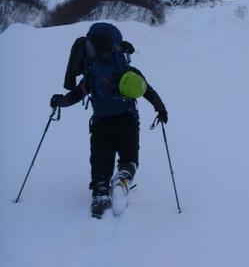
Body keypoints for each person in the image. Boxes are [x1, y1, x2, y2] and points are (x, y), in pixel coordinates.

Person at [50, 22, 168, 218]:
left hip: (101, 123)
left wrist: (59, 102)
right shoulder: (128, 71)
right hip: (128, 121)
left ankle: (100, 192)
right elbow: (148, 91)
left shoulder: (92, 73)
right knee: (130, 158)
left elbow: (77, 95)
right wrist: (161, 109)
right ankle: (123, 178)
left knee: (100, 161)